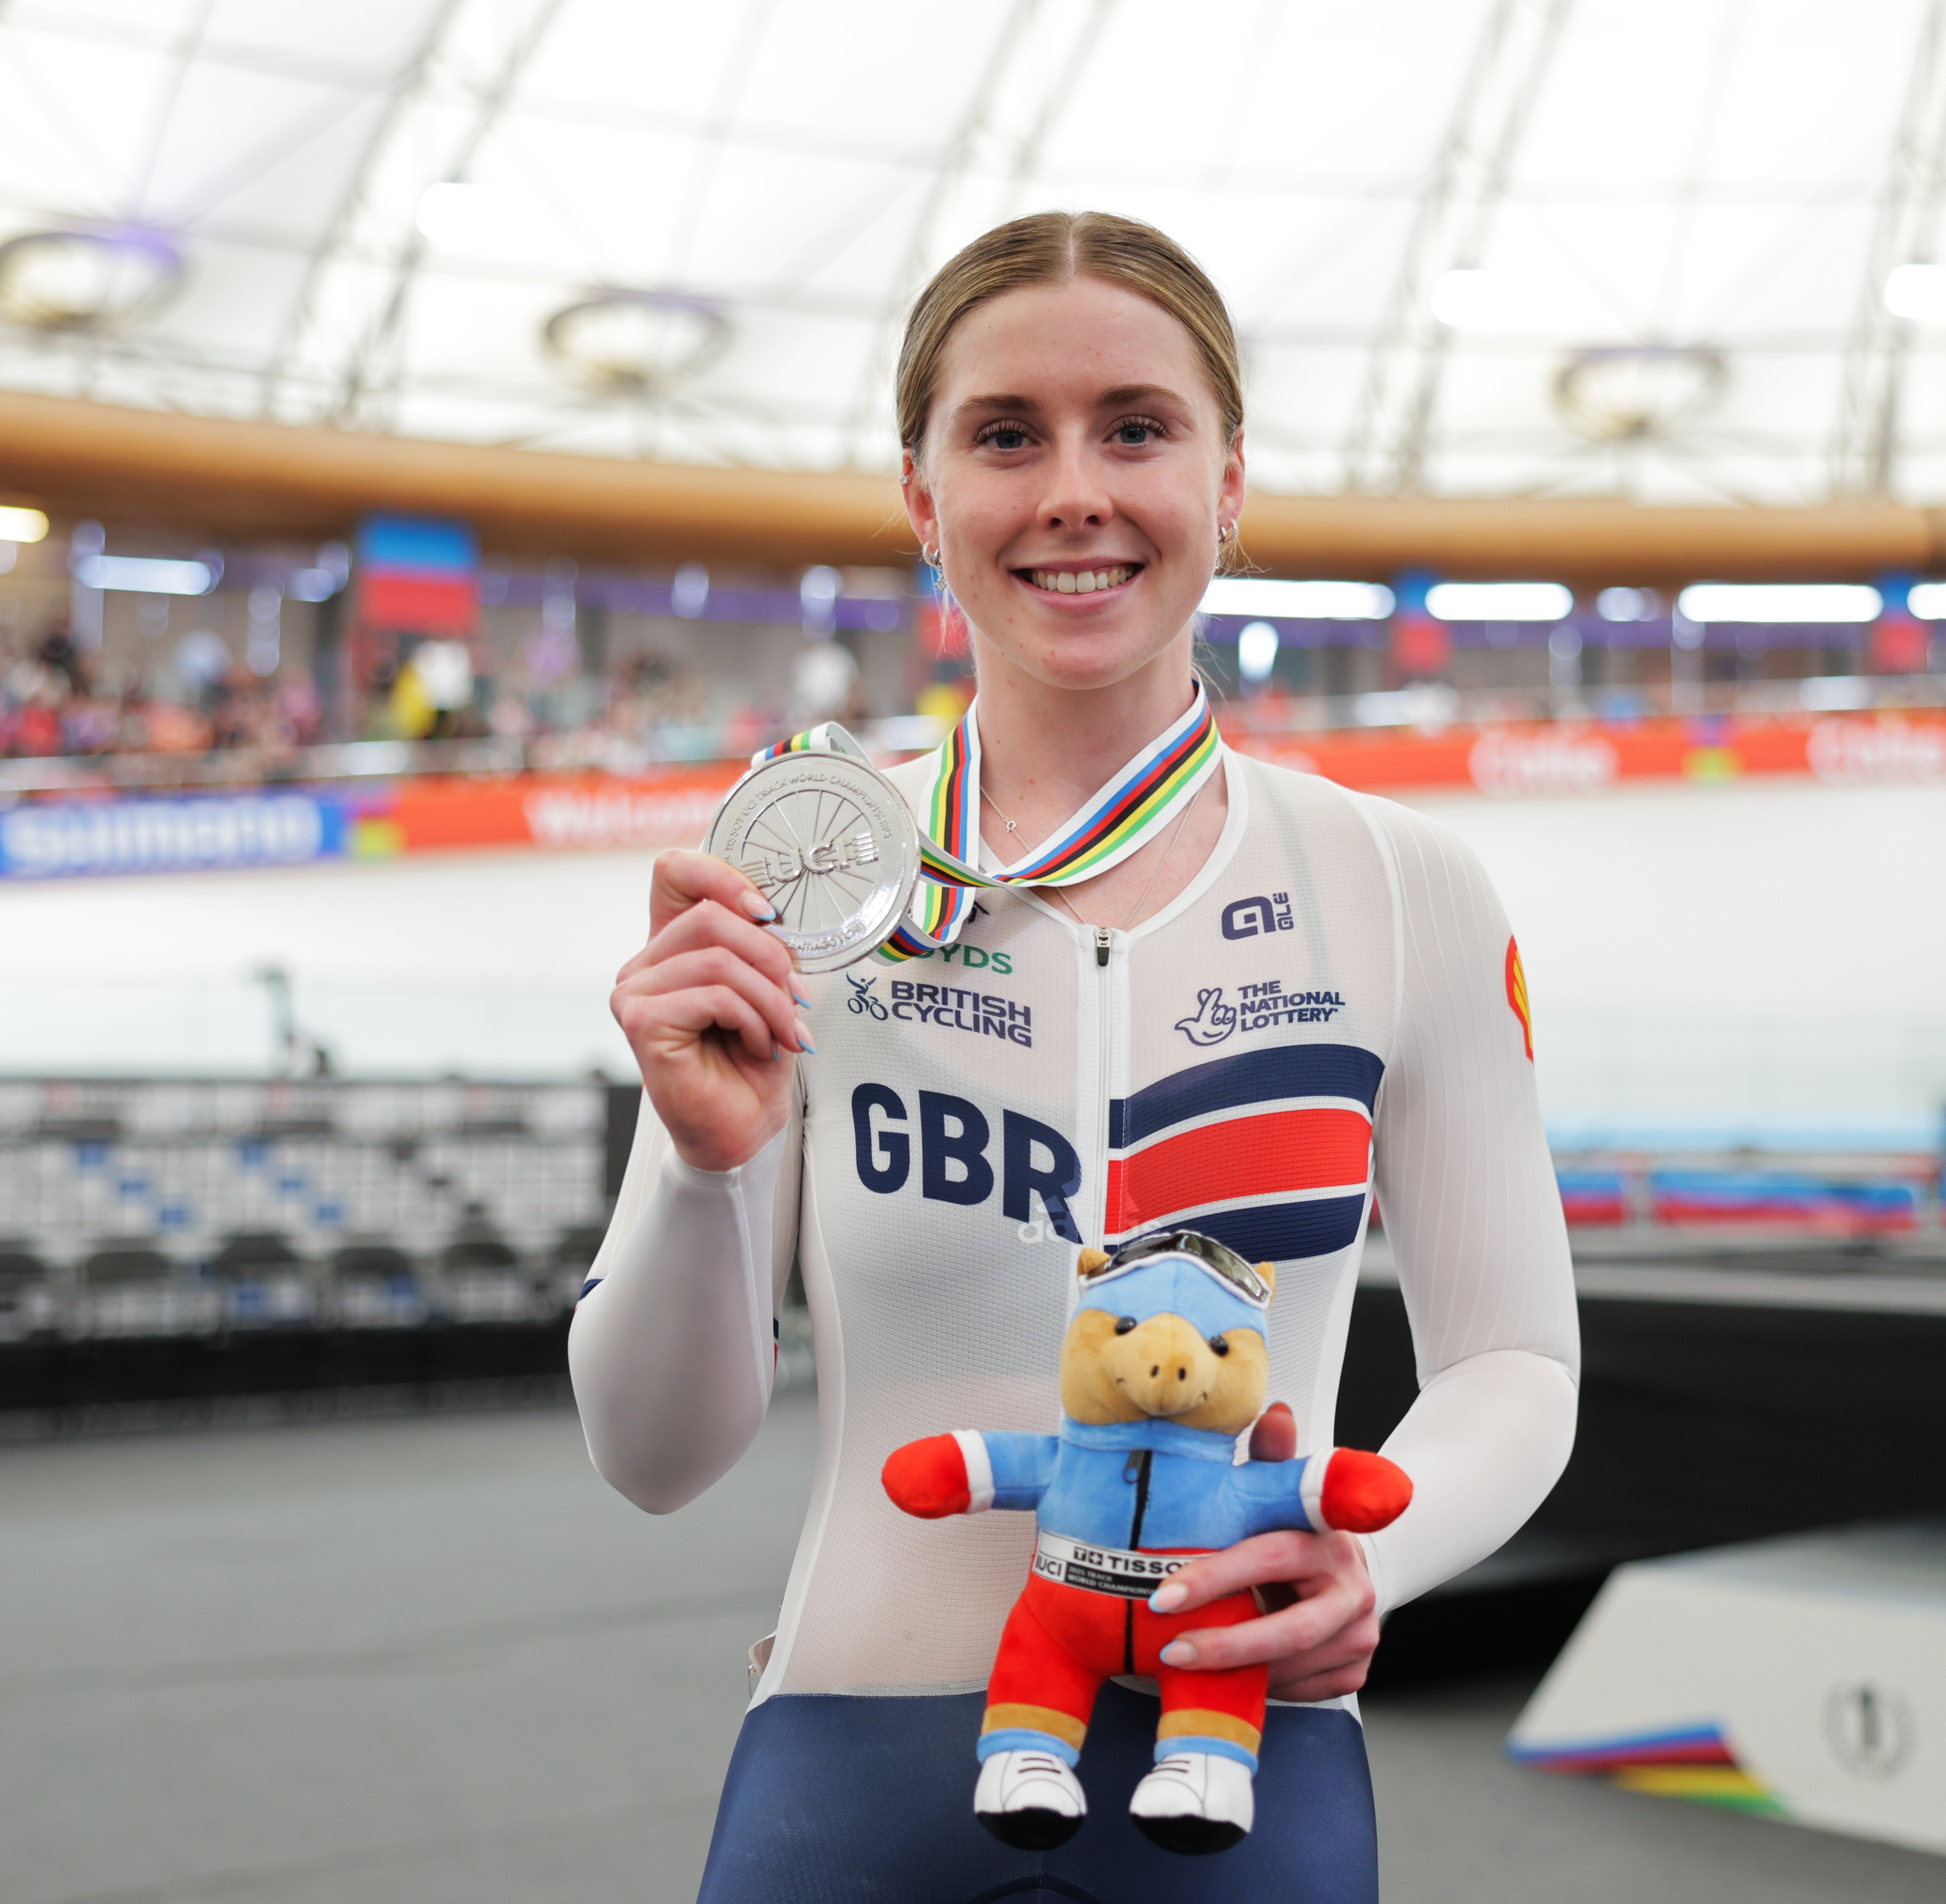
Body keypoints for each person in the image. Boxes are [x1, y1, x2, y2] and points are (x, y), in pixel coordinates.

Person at [571, 211, 1577, 1903]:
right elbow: (652, 1454)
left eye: (1134, 425)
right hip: (851, 1763)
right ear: (920, 497)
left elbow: (1517, 1364)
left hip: (1238, 1759)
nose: (1072, 491)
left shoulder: (1399, 887)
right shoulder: (805, 880)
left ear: (1229, 475)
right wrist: (700, 1163)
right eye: (1004, 435)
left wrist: (1368, 1554)